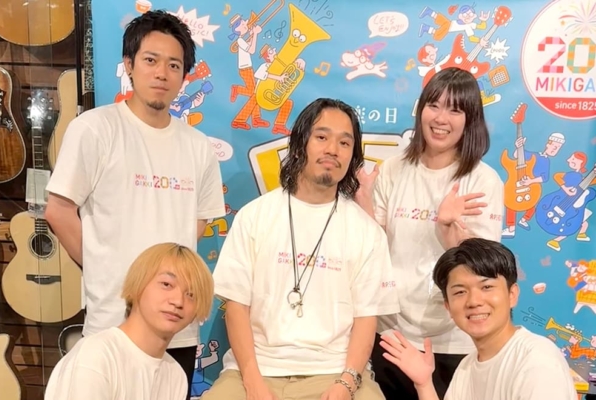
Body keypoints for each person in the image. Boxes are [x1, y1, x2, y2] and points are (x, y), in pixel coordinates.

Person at [44, 10, 226, 400]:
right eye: (150, 60)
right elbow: (58, 212)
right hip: (112, 320)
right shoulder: (95, 129)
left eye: (174, 65)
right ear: (129, 64)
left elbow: (195, 225)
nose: (162, 73)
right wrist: (105, 266)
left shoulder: (198, 148)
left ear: (184, 75)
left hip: (177, 330)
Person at [202, 98, 399, 400]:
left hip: (335, 371)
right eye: (321, 137)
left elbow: (366, 318)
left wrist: (346, 382)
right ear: (298, 145)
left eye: (344, 143)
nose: (333, 149)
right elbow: (236, 306)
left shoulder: (366, 231)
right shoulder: (254, 216)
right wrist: (253, 381)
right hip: (254, 369)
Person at [355, 67, 504, 399]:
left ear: (470, 119)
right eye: (433, 105)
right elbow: (377, 246)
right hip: (391, 332)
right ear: (421, 109)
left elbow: (482, 272)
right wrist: (364, 202)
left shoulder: (483, 180)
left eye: (455, 110)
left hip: (453, 339)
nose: (440, 118)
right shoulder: (394, 169)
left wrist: (448, 229)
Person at [378, 238, 577, 400]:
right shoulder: (466, 368)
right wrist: (424, 384)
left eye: (486, 287)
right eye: (460, 292)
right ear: (448, 306)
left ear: (512, 295)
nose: (474, 301)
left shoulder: (536, 359)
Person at [44, 243, 215, 400]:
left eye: (191, 294)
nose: (178, 301)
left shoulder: (175, 375)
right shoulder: (96, 357)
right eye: (166, 284)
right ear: (138, 284)